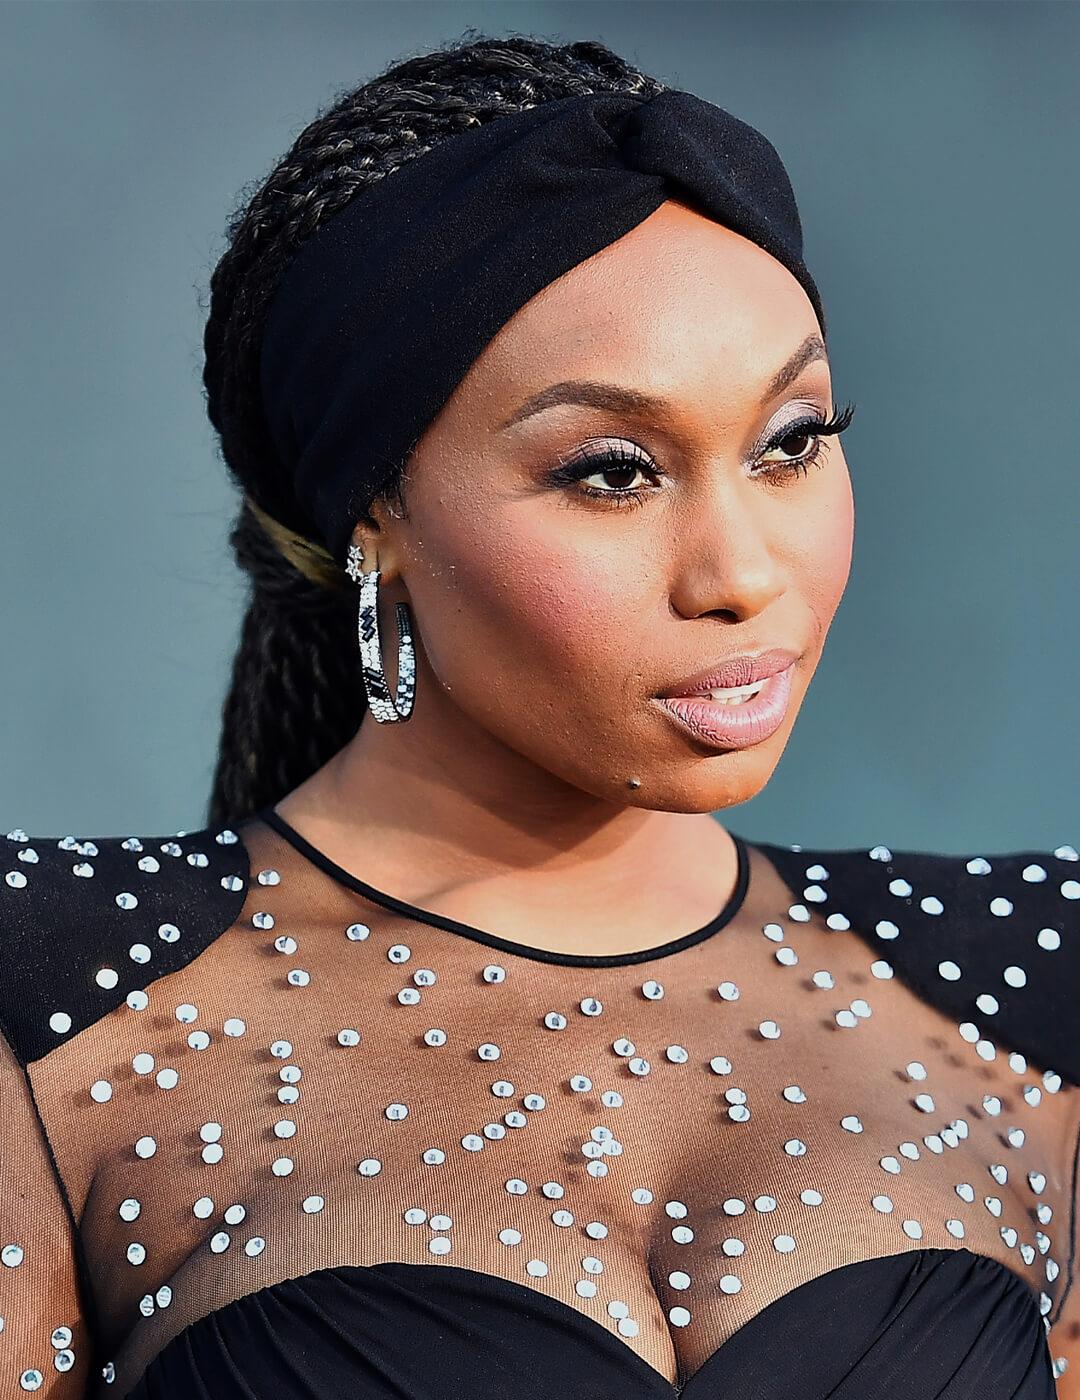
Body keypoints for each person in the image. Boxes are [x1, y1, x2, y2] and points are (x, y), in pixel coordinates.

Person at [1, 32, 1076, 1400]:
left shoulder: (1037, 989)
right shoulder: (54, 1010)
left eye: (793, 438)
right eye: (613, 471)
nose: (743, 572)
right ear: (371, 516)